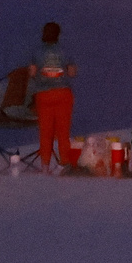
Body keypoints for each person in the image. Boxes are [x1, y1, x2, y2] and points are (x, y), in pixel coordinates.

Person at [29, 21, 79, 171]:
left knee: (45, 132)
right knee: (63, 132)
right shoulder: (64, 51)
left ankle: (45, 165)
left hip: (43, 95)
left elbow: (32, 73)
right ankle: (64, 163)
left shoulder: (36, 52)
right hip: (63, 94)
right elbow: (71, 73)